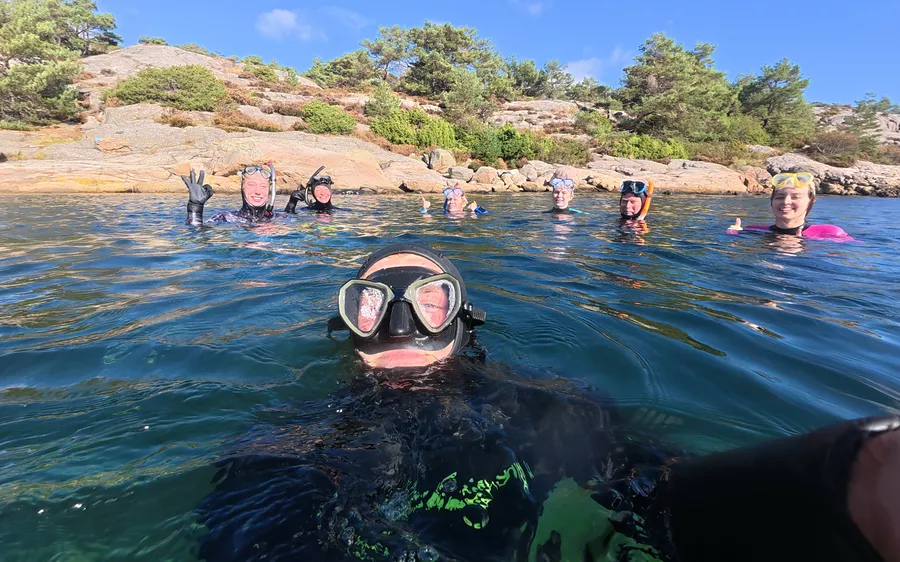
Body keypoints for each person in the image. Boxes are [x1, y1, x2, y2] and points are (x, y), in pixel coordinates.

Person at [197, 244, 898, 562]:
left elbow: (654, 493)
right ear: (349, 322)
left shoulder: (547, 407)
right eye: (374, 302)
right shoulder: (286, 445)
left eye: (429, 299)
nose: (400, 324)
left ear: (462, 321)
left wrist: (839, 486)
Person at [728, 172, 851, 239]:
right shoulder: (752, 231)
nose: (786, 202)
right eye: (779, 197)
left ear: (811, 201)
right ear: (771, 201)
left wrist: (801, 246)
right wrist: (732, 235)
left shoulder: (831, 233)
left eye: (795, 197)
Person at [183, 164, 277, 225]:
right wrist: (195, 210)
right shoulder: (224, 218)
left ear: (269, 190)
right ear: (242, 187)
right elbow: (197, 241)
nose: (258, 191)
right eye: (251, 185)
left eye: (263, 186)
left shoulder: (278, 218)